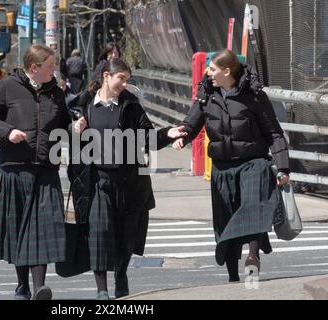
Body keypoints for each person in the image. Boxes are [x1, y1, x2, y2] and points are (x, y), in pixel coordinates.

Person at [70, 58, 186, 299]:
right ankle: (101, 290)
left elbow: (147, 138)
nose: (125, 83)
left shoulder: (130, 106)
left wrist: (168, 133)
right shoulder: (83, 105)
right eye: (121, 78)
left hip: (128, 181)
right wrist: (75, 131)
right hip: (96, 181)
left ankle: (120, 275)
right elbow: (66, 140)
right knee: (99, 233)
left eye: (127, 79)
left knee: (125, 235)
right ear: (106, 76)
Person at [172, 49, 290, 282]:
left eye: (213, 69)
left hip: (253, 161)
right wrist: (182, 136)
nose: (208, 73)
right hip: (222, 166)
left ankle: (253, 257)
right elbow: (191, 123)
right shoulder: (207, 95)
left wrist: (283, 167)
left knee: (254, 205)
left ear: (227, 71)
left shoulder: (254, 96)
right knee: (225, 218)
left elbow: (274, 133)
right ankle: (233, 277)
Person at [0, 44, 71, 300]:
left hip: (47, 170)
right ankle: (22, 286)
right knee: (20, 230)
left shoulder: (56, 92)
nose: (54, 70)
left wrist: (77, 127)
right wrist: (7, 131)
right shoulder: (8, 87)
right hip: (17, 171)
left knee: (44, 228)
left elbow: (64, 126)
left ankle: (40, 288)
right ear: (34, 68)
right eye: (50, 66)